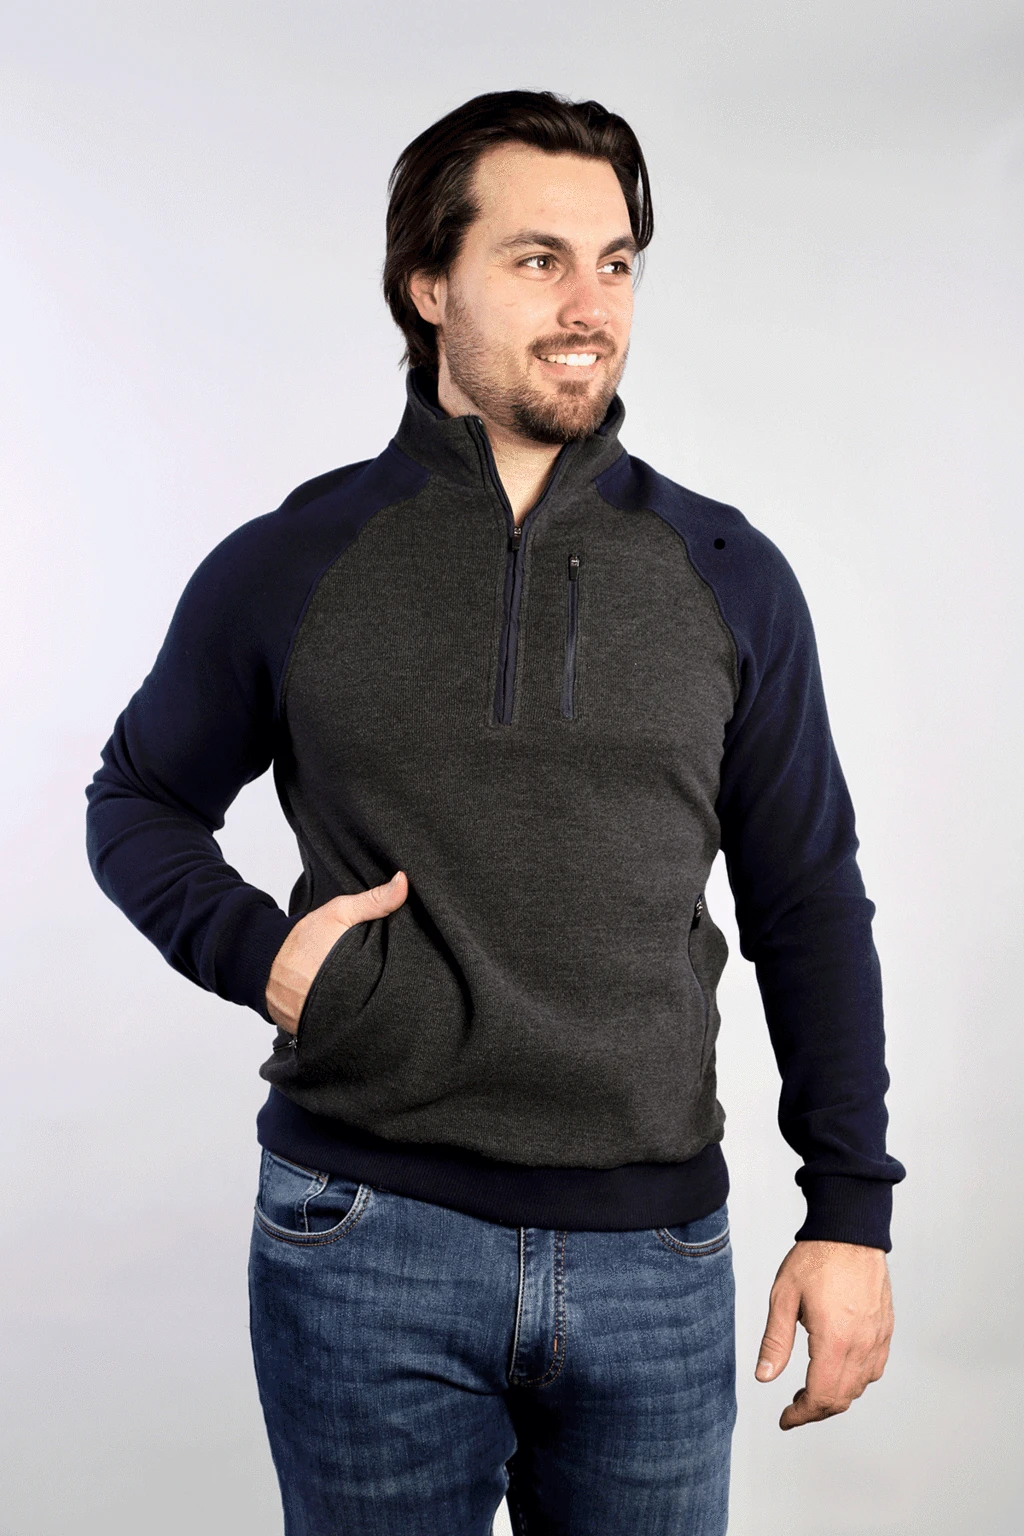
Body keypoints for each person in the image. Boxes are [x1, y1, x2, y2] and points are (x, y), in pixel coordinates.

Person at [85, 89, 905, 1535]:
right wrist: (257, 954)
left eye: (617, 262)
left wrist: (850, 1211)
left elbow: (808, 902)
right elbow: (137, 798)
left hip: (657, 1257)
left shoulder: (731, 574)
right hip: (363, 1239)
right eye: (539, 260)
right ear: (428, 284)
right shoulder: (297, 559)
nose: (591, 306)